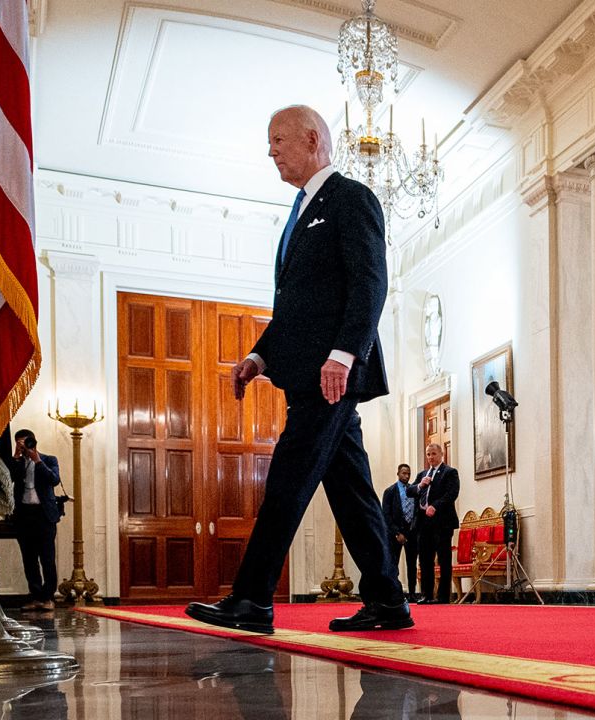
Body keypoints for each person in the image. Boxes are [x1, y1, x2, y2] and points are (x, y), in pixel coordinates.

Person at [186, 105, 410, 634]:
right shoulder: (299, 210)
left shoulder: (351, 198)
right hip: (310, 370)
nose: (270, 150)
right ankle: (387, 600)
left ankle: (252, 599)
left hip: (329, 375)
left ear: (312, 139)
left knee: (287, 479)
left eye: (277, 139)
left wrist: (343, 354)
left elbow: (370, 284)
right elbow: (295, 304)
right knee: (352, 491)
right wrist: (260, 355)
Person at [9, 428, 62, 612]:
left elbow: (54, 479)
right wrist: (16, 456)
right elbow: (10, 479)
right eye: (20, 443)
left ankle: (48, 597)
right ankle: (36, 597)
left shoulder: (49, 460)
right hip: (24, 516)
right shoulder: (17, 462)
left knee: (47, 558)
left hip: (44, 515)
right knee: (29, 559)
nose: (24, 447)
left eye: (26, 442)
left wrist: (37, 460)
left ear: (34, 442)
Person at [415, 443, 459, 604]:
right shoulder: (422, 474)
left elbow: (452, 493)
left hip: (442, 522)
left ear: (442, 454)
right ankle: (427, 594)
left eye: (433, 454)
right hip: (423, 523)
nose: (431, 457)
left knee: (443, 559)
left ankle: (443, 596)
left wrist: (435, 506)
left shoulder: (450, 472)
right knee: (425, 559)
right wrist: (420, 485)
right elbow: (409, 491)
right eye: (428, 454)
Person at [382, 463, 420, 600]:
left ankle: (412, 593)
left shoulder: (413, 490)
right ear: (398, 473)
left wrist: (413, 528)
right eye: (404, 473)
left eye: (408, 473)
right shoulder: (390, 491)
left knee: (412, 564)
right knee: (393, 564)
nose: (406, 476)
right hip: (395, 533)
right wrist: (397, 533)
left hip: (411, 532)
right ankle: (393, 593)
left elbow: (416, 511)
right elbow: (386, 515)